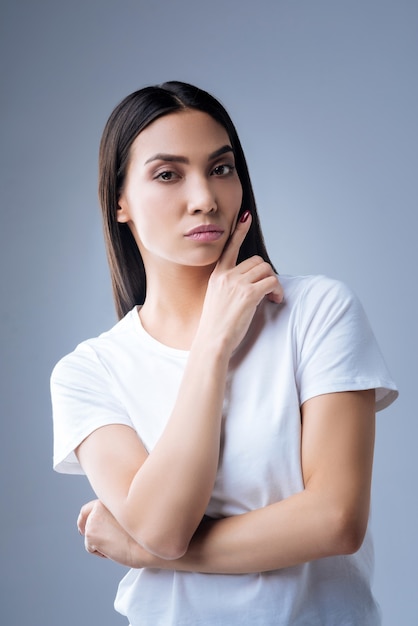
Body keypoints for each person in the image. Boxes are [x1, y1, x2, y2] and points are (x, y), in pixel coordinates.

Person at [50, 81, 398, 626]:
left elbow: (335, 521)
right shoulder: (89, 373)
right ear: (119, 202)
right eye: (168, 174)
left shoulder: (317, 312)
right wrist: (213, 345)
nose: (205, 198)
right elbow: (165, 526)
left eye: (221, 168)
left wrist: (143, 552)